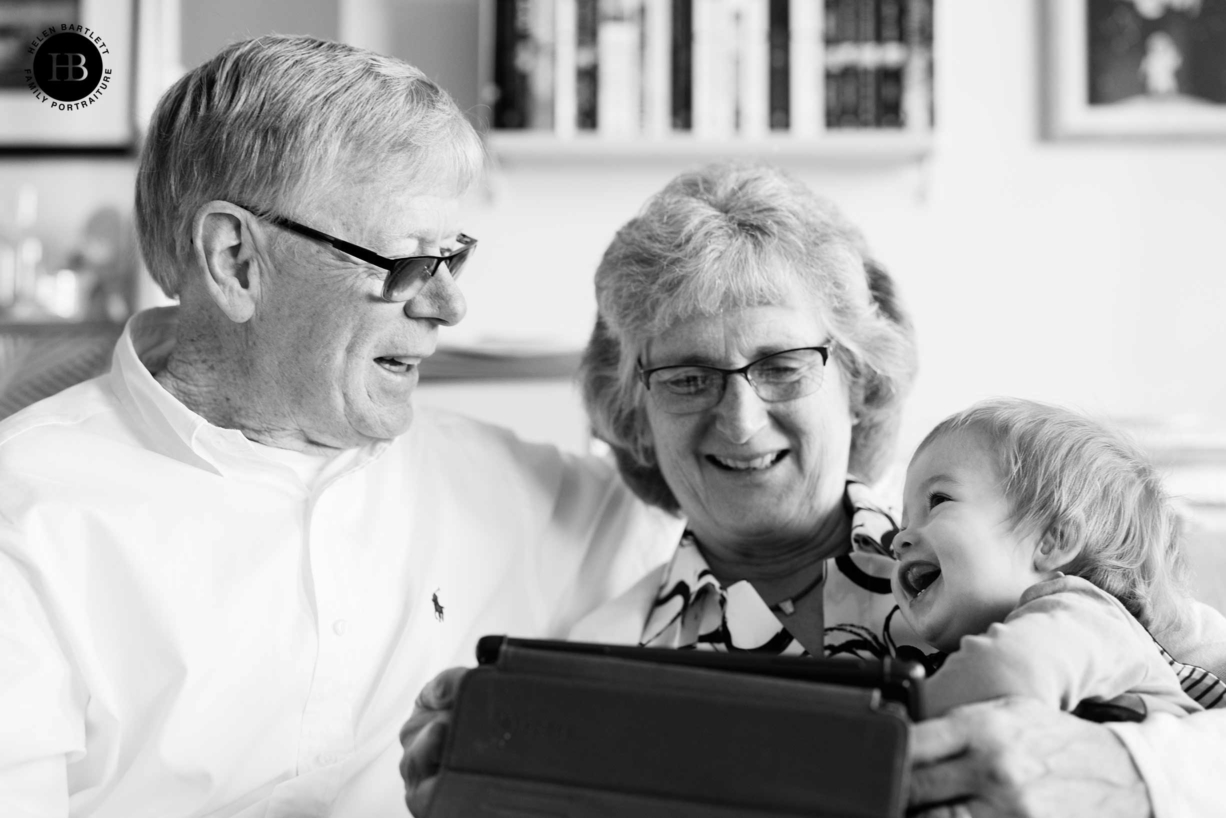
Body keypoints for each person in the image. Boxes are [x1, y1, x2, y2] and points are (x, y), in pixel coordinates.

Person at [400, 162, 1226, 818]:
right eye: (688, 377)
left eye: (782, 366)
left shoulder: (1005, 558)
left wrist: (1128, 774)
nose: (740, 422)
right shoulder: (597, 654)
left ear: (859, 383)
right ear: (634, 413)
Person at [0, 36, 681, 817]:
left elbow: (745, 532)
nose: (448, 305)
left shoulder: (515, 488)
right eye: (406, 263)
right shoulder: (24, 522)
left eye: (452, 255)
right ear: (236, 262)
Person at [893, 398, 1224, 719]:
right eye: (903, 522)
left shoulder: (1083, 614)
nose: (898, 540)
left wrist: (894, 715)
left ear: (1053, 541)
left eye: (938, 500)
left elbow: (1007, 669)